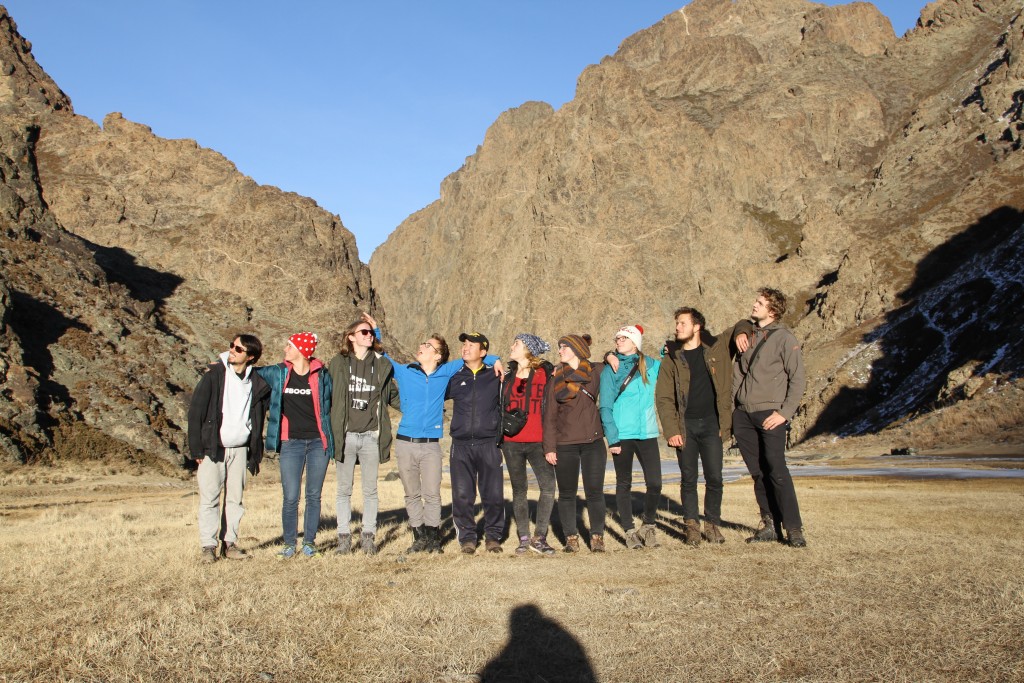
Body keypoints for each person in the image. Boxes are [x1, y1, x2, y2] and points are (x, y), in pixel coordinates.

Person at [363, 314, 500, 554]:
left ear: (438, 355)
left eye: (428, 345)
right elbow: (381, 354)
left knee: (432, 494)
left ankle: (433, 538)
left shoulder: (446, 372)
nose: (422, 346)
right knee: (412, 494)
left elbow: (474, 357)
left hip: (431, 445)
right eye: (423, 344)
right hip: (405, 442)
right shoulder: (405, 371)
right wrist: (376, 332)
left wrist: (496, 359)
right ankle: (419, 536)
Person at [656, 309, 751, 546]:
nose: (677, 327)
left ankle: (712, 525)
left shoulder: (718, 347)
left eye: (682, 323)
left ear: (697, 326)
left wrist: (741, 333)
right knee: (688, 479)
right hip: (685, 426)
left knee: (715, 478)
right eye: (677, 323)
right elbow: (664, 398)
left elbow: (743, 322)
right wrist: (672, 431)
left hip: (712, 424)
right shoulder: (671, 358)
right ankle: (692, 527)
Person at [732, 288, 807, 547]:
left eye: (760, 303)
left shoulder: (785, 338)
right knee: (757, 473)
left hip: (770, 413)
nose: (754, 305)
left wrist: (784, 413)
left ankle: (794, 528)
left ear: (772, 311)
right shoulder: (748, 335)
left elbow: (798, 379)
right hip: (743, 414)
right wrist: (733, 411)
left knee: (777, 469)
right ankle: (770, 525)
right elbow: (737, 375)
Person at [187, 334, 270, 563]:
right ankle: (208, 546)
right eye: (232, 346)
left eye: (239, 349)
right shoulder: (214, 376)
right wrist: (197, 449)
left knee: (235, 499)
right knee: (210, 498)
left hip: (240, 448)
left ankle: (229, 543)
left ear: (250, 356)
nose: (232, 350)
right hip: (214, 448)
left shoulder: (256, 381)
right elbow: (196, 412)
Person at [257, 332, 334, 559]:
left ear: (301, 350)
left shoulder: (322, 375)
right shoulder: (279, 372)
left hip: (318, 443)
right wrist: (223, 366)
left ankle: (309, 543)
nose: (285, 349)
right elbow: (251, 372)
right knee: (290, 496)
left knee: (313, 495)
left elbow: (332, 404)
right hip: (291, 443)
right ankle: (289, 544)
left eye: (289, 346)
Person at [328, 317, 400, 556]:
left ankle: (368, 537)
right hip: (346, 435)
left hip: (371, 436)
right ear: (351, 337)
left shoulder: (381, 364)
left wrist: (421, 410)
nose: (370, 335)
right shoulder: (338, 363)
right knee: (343, 490)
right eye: (364, 332)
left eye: (371, 333)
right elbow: (327, 394)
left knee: (370, 490)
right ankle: (343, 538)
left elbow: (392, 396)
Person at [543, 334, 608, 553]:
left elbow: (614, 360)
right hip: (564, 444)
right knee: (567, 493)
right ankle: (571, 538)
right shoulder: (555, 378)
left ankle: (597, 537)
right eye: (560, 347)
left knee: (595, 492)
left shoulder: (595, 371)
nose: (560, 350)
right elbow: (549, 416)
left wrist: (610, 355)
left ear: (577, 350)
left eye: (564, 347)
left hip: (593, 442)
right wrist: (550, 447)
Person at [600, 325, 662, 550]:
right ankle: (628, 531)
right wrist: (612, 438)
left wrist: (668, 350)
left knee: (655, 483)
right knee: (624, 483)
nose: (618, 341)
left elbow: (672, 365)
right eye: (617, 338)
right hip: (622, 434)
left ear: (635, 342)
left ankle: (648, 525)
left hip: (647, 433)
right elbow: (605, 406)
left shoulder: (652, 366)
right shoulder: (610, 369)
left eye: (624, 338)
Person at [446, 332, 505, 554]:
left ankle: (493, 537)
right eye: (464, 344)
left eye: (471, 345)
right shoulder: (454, 376)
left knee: (493, 494)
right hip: (460, 444)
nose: (465, 348)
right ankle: (467, 539)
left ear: (483, 352)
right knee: (462, 495)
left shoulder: (495, 375)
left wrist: (495, 360)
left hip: (489, 443)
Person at [501, 333, 557, 556]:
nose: (512, 346)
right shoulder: (507, 376)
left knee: (548, 487)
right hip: (511, 443)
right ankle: (524, 538)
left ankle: (539, 537)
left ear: (528, 349)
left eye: (516, 343)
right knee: (519, 490)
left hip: (538, 442)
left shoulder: (546, 373)